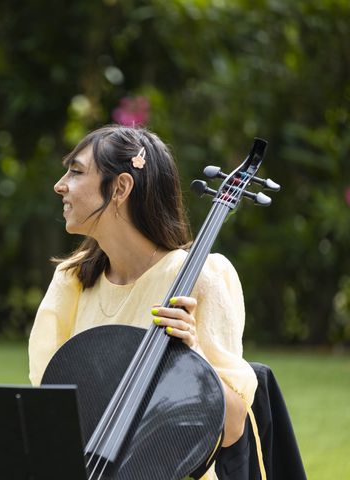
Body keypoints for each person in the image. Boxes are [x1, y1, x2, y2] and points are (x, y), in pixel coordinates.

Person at [28, 125, 259, 480]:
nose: (60, 185)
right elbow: (49, 408)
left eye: (75, 172)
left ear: (120, 187)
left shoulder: (200, 275)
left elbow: (232, 428)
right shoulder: (72, 279)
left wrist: (193, 356)